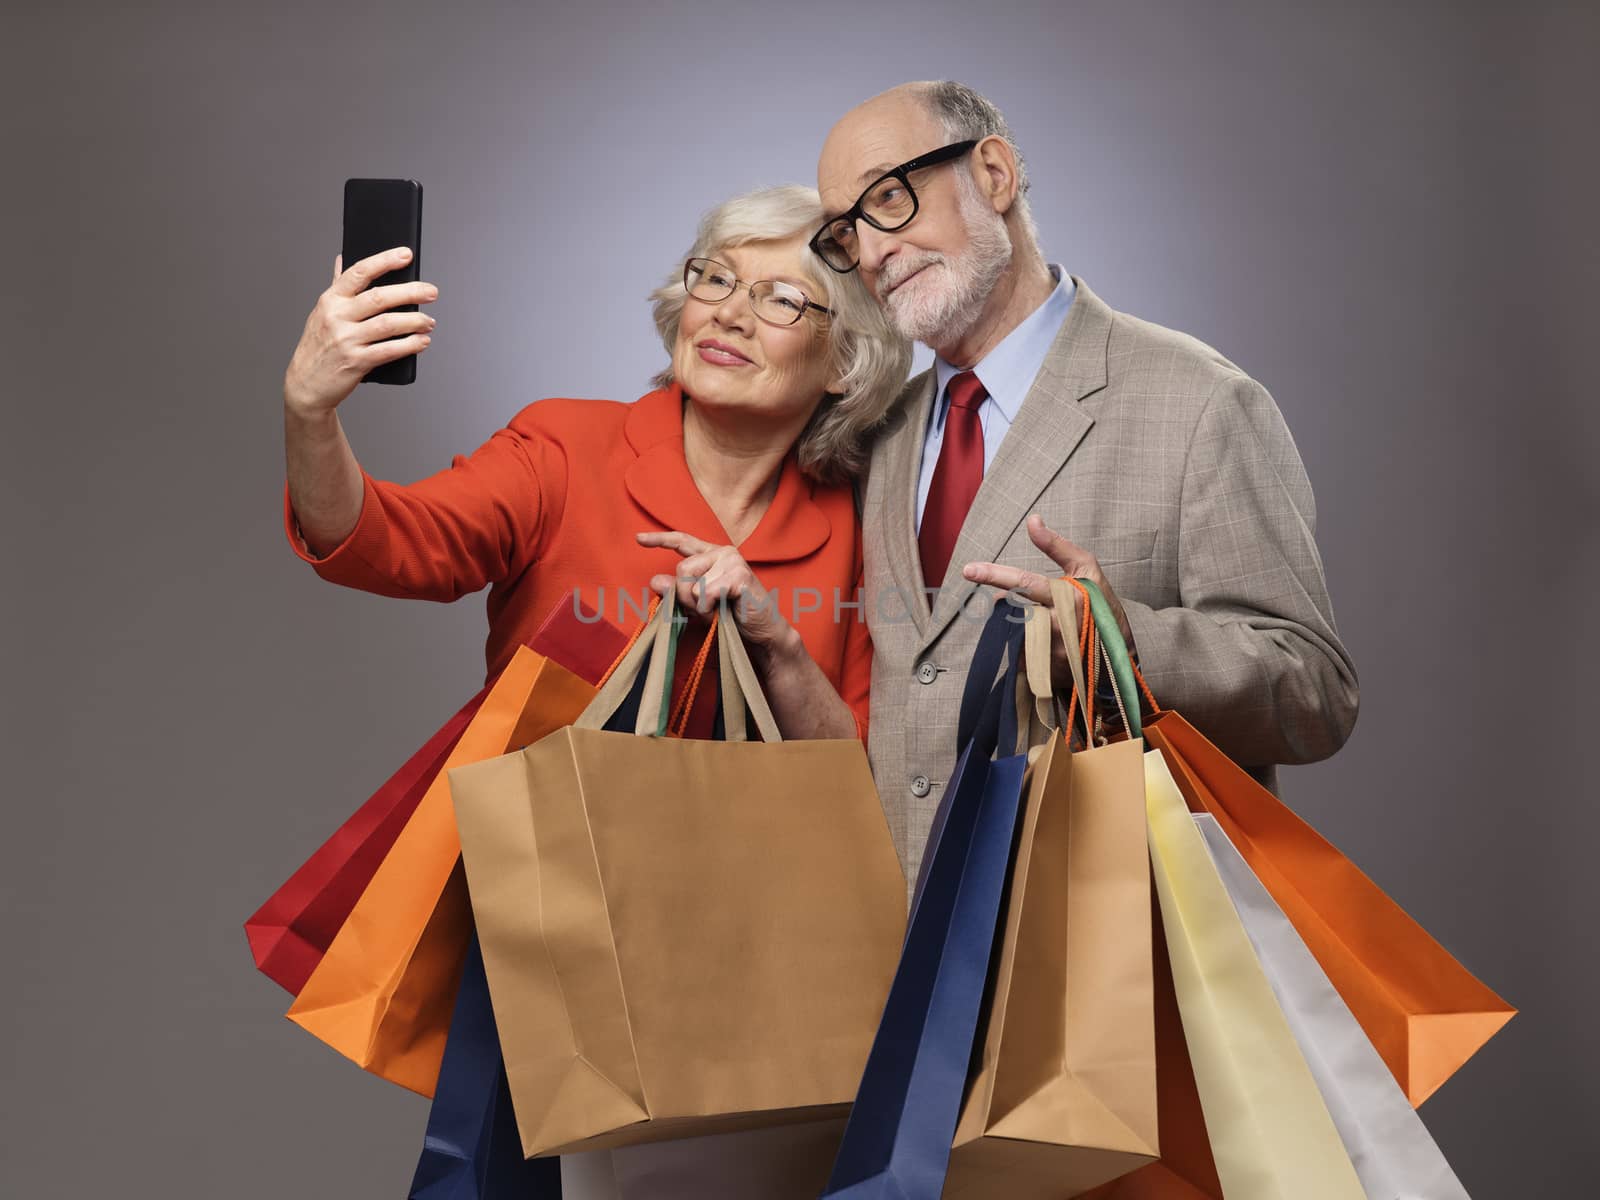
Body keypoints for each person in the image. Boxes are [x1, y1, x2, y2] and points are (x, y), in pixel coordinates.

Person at [814, 81, 1359, 888]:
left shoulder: (1199, 401)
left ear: (993, 174)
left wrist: (1126, 639)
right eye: (845, 232)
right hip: (898, 950)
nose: (870, 252)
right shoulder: (878, 432)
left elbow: (1314, 692)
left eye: (889, 199)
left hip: (1100, 949)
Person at [283, 184, 909, 740]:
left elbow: (852, 770)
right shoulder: (564, 445)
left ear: (844, 361)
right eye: (717, 279)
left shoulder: (862, 518)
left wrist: (781, 646)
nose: (729, 314)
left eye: (780, 300)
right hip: (544, 862)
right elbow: (384, 542)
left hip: (749, 869)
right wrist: (310, 412)